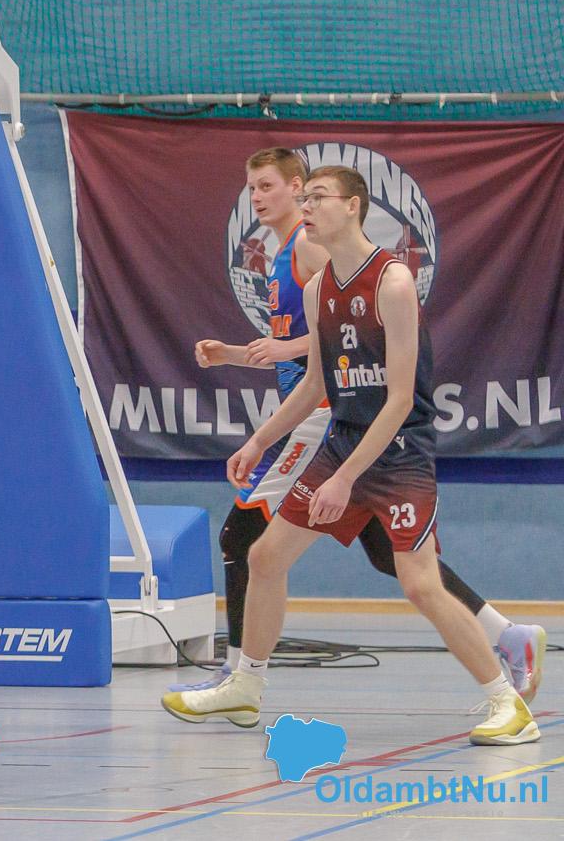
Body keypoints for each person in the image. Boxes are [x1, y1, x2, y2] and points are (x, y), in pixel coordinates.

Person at [163, 166, 538, 745]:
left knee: (419, 583)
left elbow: (401, 399)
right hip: (342, 442)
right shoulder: (319, 290)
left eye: (318, 198)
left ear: (354, 206)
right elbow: (316, 383)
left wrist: (345, 479)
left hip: (398, 452)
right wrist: (258, 441)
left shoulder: (393, 282)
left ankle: (507, 704)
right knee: (264, 557)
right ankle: (246, 685)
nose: (307, 208)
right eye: (306, 198)